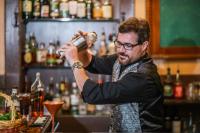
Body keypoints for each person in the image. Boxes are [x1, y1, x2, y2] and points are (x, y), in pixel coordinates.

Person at [59, 17, 164, 132]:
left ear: (144, 46)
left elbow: (93, 94)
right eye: (119, 43)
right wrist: (83, 49)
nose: (121, 50)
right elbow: (92, 63)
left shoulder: (144, 77)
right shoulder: (122, 59)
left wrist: (74, 61)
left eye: (128, 45)